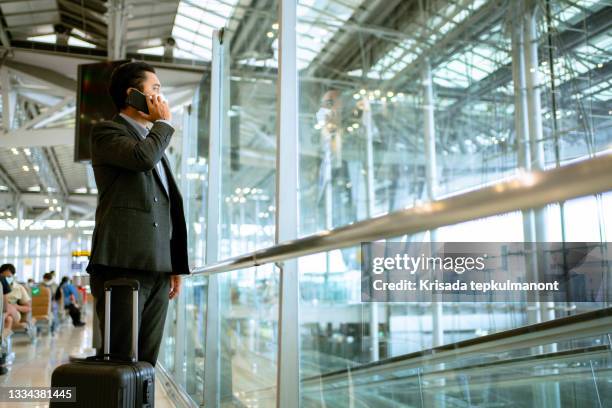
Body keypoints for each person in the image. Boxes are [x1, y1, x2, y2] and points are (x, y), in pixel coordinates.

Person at [86, 61, 190, 366]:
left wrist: (174, 264)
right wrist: (164, 125)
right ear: (133, 95)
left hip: (156, 269)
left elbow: (166, 205)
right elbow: (140, 159)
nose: (161, 98)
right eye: (155, 89)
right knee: (121, 361)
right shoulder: (107, 132)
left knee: (146, 364)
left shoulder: (151, 142)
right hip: (122, 266)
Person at [0, 264, 31, 338]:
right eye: (3, 277)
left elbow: (28, 308)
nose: (5, 279)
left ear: (13, 276)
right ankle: (3, 338)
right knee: (8, 319)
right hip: (3, 312)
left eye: (9, 277)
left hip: (14, 313)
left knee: (8, 306)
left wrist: (16, 307)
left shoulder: (19, 288)